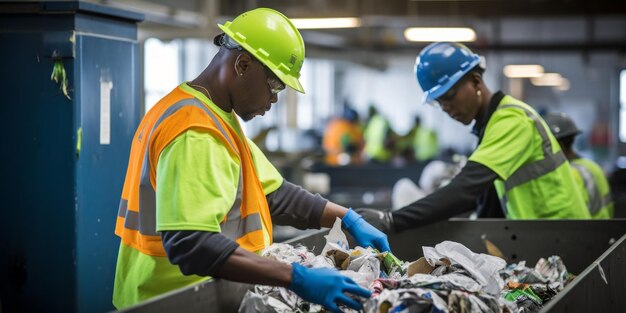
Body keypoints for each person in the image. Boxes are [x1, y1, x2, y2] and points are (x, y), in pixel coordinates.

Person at [112, 8, 390, 313]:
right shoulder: (195, 132)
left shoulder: (213, 115)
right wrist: (294, 277)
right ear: (242, 65)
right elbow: (190, 243)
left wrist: (348, 218)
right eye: (274, 85)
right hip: (171, 299)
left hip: (197, 295)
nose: (274, 99)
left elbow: (275, 195)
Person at [357, 42, 590, 232]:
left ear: (476, 81)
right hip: (544, 232)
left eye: (449, 95)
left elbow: (465, 190)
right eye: (439, 101)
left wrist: (391, 220)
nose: (446, 107)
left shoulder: (512, 121)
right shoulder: (490, 125)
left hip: (564, 233)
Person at [544, 112, 614, 218]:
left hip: (587, 232)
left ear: (559, 145)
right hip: (606, 229)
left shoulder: (570, 173)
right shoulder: (593, 166)